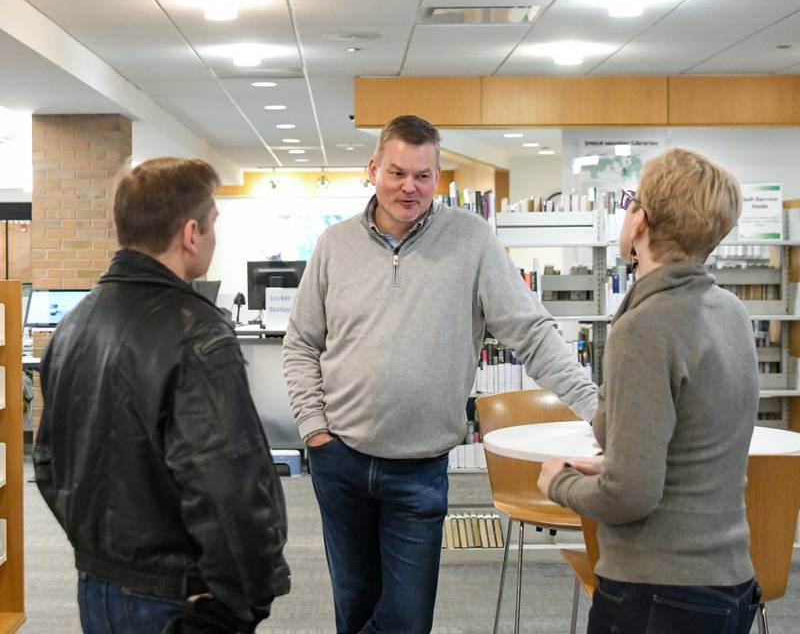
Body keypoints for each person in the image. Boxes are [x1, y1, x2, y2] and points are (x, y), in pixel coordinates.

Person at [283, 114, 597, 633]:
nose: (410, 187)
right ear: (373, 170)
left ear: (438, 176)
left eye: (423, 176)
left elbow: (532, 333)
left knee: (407, 620)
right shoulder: (334, 245)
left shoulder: (471, 240)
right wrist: (314, 429)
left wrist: (596, 406)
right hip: (341, 459)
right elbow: (301, 343)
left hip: (420, 469)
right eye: (397, 173)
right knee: (355, 606)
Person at [34, 157, 290, 634]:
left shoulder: (73, 326)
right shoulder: (198, 335)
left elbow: (48, 463)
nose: (214, 237)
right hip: (180, 600)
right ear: (191, 233)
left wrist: (102, 554)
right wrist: (239, 604)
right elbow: (227, 484)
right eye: (213, 225)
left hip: (98, 587)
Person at [538, 147, 760, 634]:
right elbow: (692, 444)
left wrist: (557, 482)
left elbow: (629, 498)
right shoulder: (730, 311)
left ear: (641, 221)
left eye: (630, 200)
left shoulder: (646, 327)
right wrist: (620, 461)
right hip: (729, 584)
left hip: (658, 589)